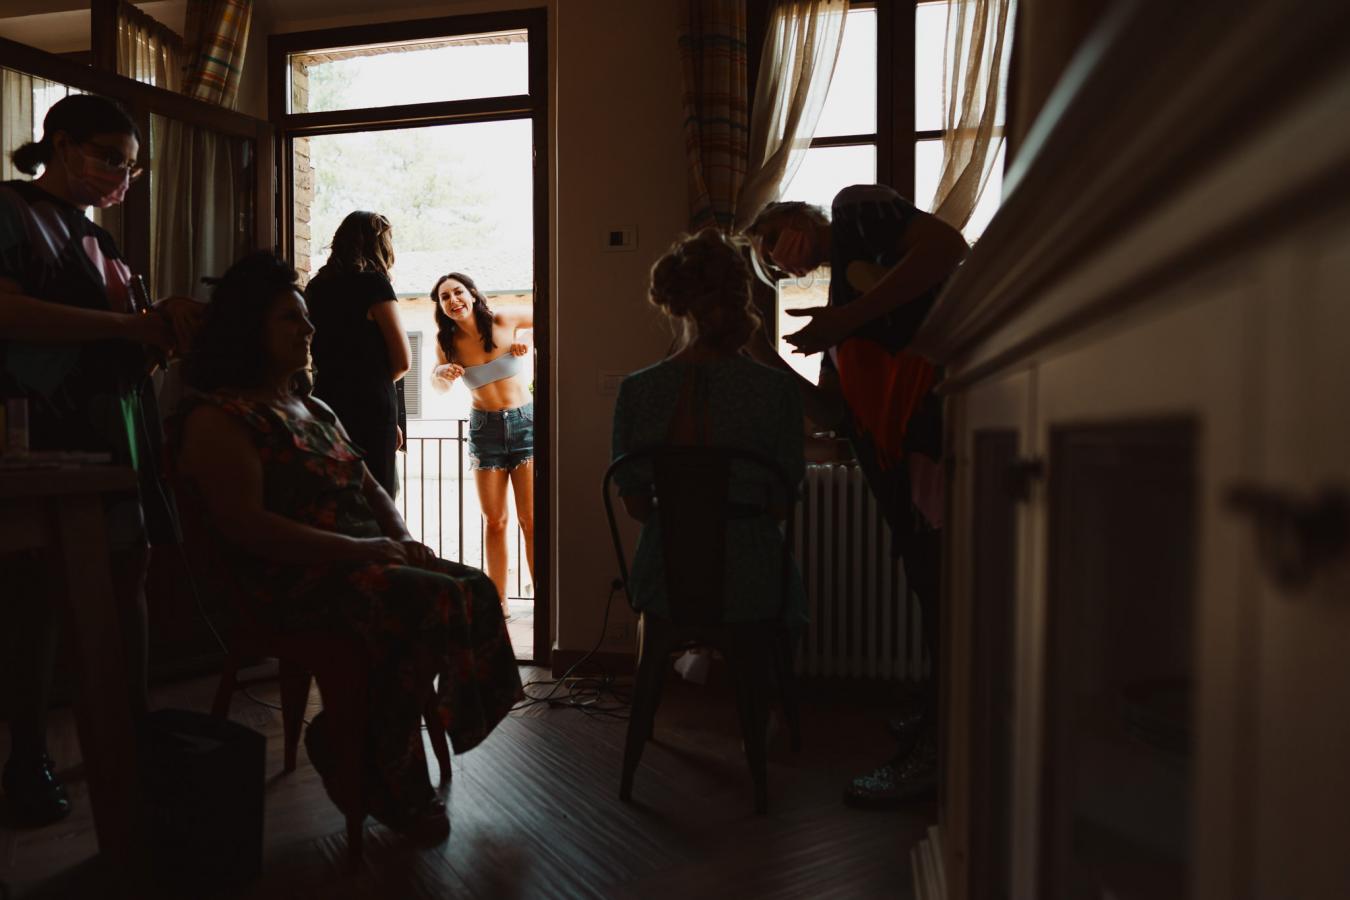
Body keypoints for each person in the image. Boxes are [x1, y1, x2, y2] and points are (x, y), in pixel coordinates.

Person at [176, 251, 521, 837]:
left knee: (472, 587)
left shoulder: (314, 407)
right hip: (292, 580)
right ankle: (386, 765)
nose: (309, 330)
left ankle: (375, 736)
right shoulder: (220, 417)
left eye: (306, 319)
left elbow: (371, 489)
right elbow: (248, 527)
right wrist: (361, 552)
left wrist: (406, 542)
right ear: (249, 330)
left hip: (361, 566)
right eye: (292, 319)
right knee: (425, 602)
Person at [0, 94, 200, 826]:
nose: (121, 175)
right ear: (59, 142)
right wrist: (124, 324)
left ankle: (132, 736)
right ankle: (28, 758)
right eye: (110, 157)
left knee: (128, 571)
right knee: (35, 589)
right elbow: (7, 311)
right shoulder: (13, 212)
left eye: (131, 166)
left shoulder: (103, 243)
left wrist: (158, 329)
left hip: (120, 425)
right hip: (42, 428)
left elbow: (128, 343)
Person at [743, 185, 968, 807]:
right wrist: (766, 355)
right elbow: (831, 416)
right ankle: (935, 719)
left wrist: (846, 319)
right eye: (770, 261)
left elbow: (948, 247)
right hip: (895, 471)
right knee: (933, 593)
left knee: (947, 597)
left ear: (800, 218)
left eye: (775, 242)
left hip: (932, 449)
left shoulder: (855, 209)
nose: (779, 260)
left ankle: (939, 753)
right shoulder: (842, 311)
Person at [611, 227, 806, 629]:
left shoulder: (637, 390)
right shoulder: (775, 390)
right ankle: (763, 688)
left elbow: (636, 506)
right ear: (743, 297)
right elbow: (782, 506)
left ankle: (652, 683)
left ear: (673, 305)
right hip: (752, 577)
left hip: (665, 572)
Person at [430, 272, 534, 618]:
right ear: (441, 306)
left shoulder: (505, 320)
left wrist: (528, 343)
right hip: (484, 430)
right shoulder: (446, 342)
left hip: (525, 425)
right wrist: (442, 375)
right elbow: (439, 384)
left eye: (458, 292)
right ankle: (498, 603)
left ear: (472, 294)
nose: (453, 300)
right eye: (445, 297)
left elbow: (554, 317)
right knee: (495, 521)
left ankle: (544, 597)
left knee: (531, 519)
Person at [305, 211, 409, 497]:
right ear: (378, 244)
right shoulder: (373, 284)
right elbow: (402, 360)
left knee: (336, 494)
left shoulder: (315, 287)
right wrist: (375, 386)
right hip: (371, 404)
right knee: (378, 495)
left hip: (328, 400)